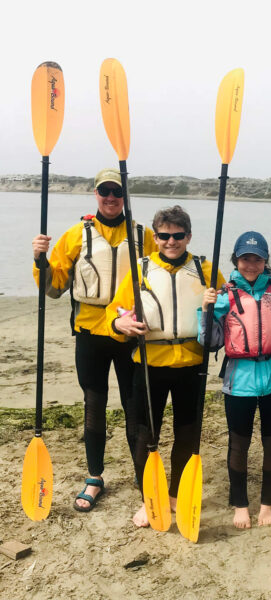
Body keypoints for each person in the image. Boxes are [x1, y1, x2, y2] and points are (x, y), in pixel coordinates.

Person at [32, 168, 156, 512]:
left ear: (125, 195)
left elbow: (160, 274)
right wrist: (40, 259)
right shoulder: (75, 235)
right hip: (89, 332)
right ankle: (94, 477)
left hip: (129, 332)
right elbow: (54, 288)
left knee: (136, 407)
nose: (111, 198)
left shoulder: (143, 235)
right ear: (96, 194)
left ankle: (142, 474)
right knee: (93, 406)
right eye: (105, 192)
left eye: (117, 192)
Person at [107, 205, 225, 527]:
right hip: (150, 364)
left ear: (188, 236)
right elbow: (114, 313)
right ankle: (151, 498)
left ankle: (175, 495)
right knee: (146, 435)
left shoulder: (205, 269)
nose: (170, 242)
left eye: (177, 236)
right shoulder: (141, 269)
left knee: (188, 434)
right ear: (155, 237)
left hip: (191, 364)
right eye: (163, 236)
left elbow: (231, 303)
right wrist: (121, 325)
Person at [199, 231, 271, 529]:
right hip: (238, 380)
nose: (251, 265)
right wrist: (205, 308)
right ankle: (240, 503)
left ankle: (266, 503)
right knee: (238, 444)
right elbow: (207, 339)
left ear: (266, 261)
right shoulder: (224, 295)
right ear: (236, 260)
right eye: (245, 259)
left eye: (257, 259)